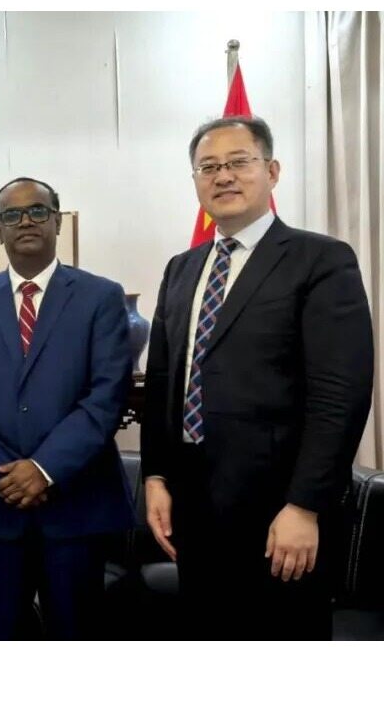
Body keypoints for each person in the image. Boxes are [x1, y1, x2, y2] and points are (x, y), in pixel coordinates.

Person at [141, 116, 374, 640]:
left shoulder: (320, 260)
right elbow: (162, 382)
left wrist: (305, 505)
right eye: (208, 167)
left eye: (238, 162)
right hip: (194, 510)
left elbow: (340, 395)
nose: (223, 176)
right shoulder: (181, 268)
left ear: (271, 171)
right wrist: (155, 476)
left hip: (281, 513)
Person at [0, 177, 133, 640]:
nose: (25, 221)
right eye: (12, 214)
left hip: (77, 505)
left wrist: (44, 469)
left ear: (58, 221)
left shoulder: (101, 297)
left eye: (38, 211)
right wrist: (5, 474)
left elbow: (106, 395)